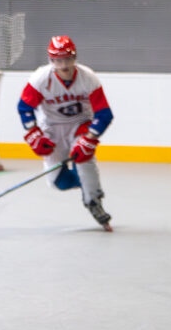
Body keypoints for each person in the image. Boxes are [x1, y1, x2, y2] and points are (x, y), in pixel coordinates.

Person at [17, 35, 114, 230]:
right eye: (58, 60)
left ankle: (94, 200)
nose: (63, 66)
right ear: (51, 60)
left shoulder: (88, 78)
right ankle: (83, 181)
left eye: (68, 59)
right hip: (51, 128)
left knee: (84, 159)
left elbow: (104, 113)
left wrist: (89, 139)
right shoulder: (40, 79)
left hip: (80, 124)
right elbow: (24, 108)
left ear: (74, 57)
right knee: (58, 183)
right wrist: (34, 134)